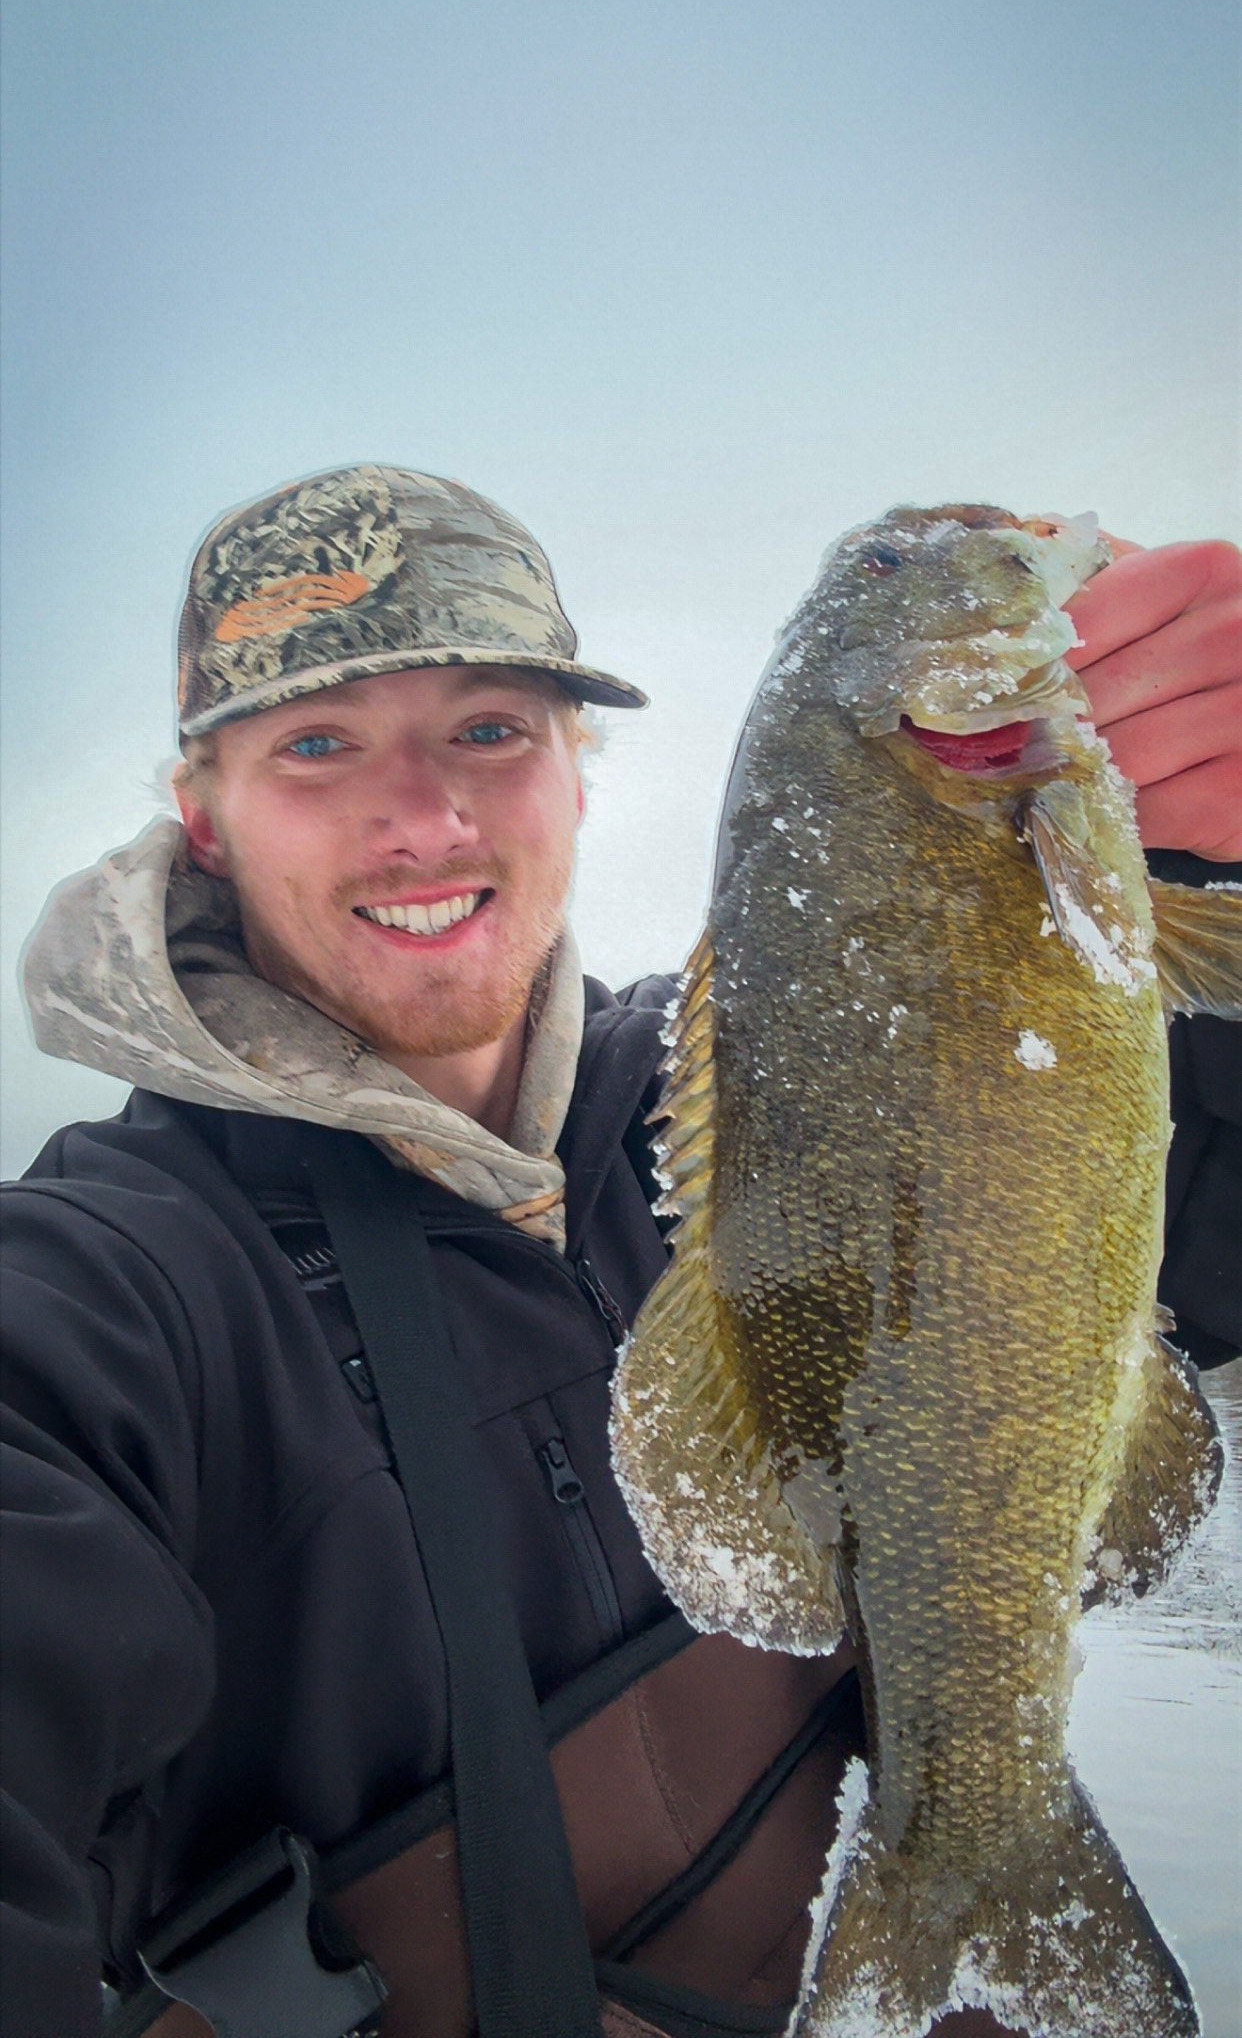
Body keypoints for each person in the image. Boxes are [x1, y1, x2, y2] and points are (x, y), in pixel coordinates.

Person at [2, 464, 1239, 2038]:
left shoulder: (784, 1096)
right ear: (203, 817)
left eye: (488, 729)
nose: (426, 818)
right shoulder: (94, 1305)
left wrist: (1215, 861)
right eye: (316, 745)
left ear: (578, 776)